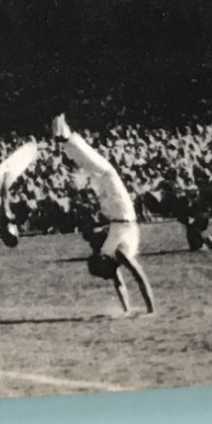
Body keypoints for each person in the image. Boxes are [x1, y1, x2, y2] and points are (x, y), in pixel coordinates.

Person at [53, 114, 156, 315]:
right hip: (122, 212)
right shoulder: (119, 254)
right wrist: (150, 310)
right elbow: (140, 278)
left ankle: (66, 141)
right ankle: (66, 139)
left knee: (96, 172)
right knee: (107, 172)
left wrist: (127, 310)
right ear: (105, 261)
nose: (98, 253)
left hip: (113, 215)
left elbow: (119, 284)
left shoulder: (109, 256)